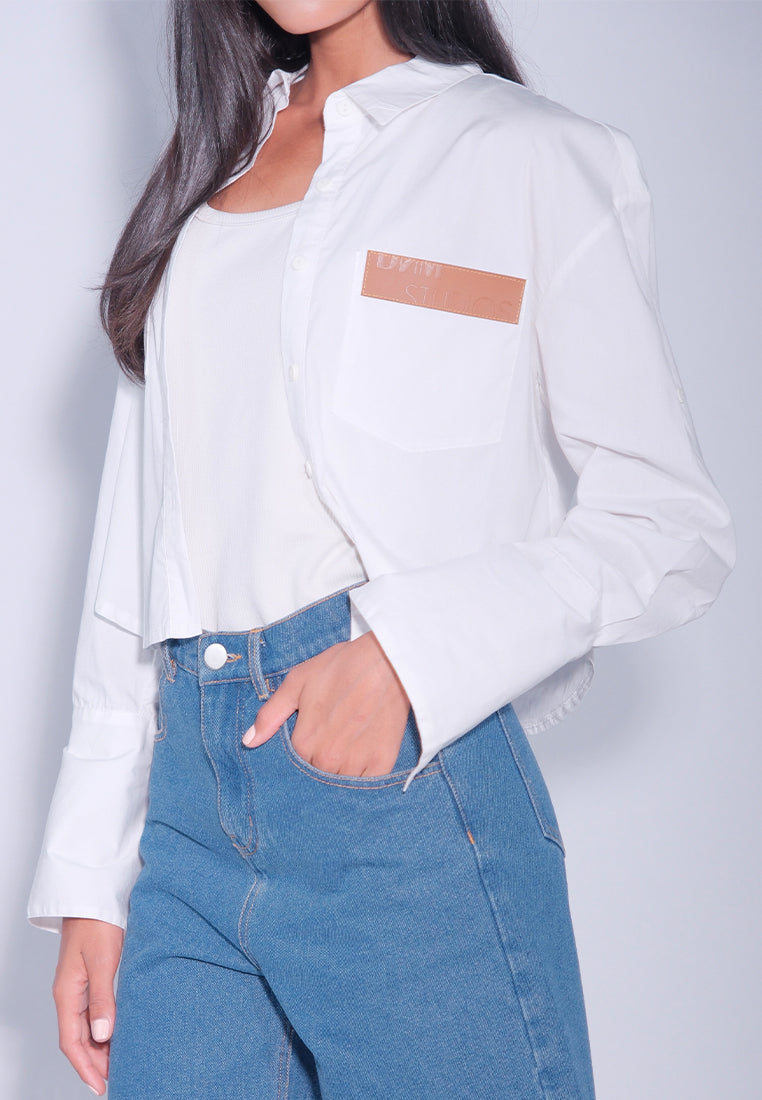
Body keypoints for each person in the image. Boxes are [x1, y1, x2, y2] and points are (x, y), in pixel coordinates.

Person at [27, 1, 736, 1097]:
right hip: (187, 811)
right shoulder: (204, 191)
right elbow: (135, 549)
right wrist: (88, 874)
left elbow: (669, 522)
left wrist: (407, 655)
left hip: (397, 789)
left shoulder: (529, 155)